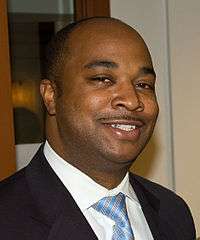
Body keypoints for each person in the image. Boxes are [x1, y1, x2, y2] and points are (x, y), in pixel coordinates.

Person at [0, 17, 196, 240]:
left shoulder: (173, 213)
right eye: (103, 79)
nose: (132, 100)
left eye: (143, 85)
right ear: (51, 96)